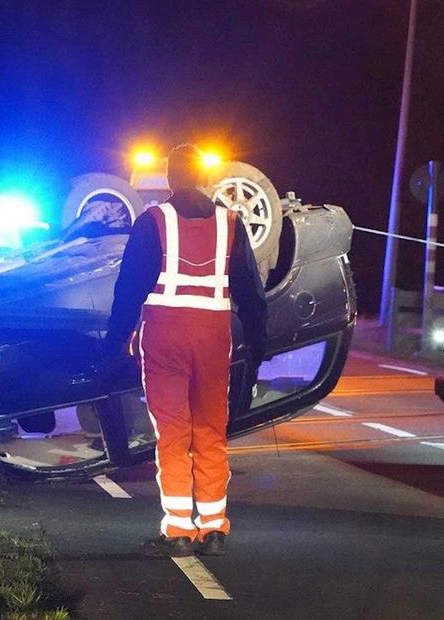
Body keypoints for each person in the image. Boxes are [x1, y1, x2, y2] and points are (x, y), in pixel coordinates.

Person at [102, 144, 267, 557]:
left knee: (173, 433)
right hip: (213, 339)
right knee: (211, 430)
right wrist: (256, 354)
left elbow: (128, 290)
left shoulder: (152, 222)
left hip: (165, 339)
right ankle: (213, 527)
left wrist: (112, 344)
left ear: (171, 178)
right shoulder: (232, 224)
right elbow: (253, 296)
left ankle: (178, 528)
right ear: (204, 178)